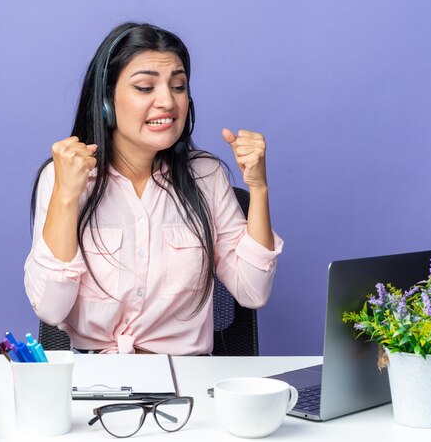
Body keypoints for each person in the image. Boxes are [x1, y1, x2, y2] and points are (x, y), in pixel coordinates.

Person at [24, 22, 283, 355]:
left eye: (178, 86)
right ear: (106, 100)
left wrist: (258, 187)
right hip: (95, 382)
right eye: (145, 87)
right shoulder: (64, 177)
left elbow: (253, 291)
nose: (167, 101)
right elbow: (50, 308)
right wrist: (65, 195)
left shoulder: (206, 176)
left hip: (185, 381)